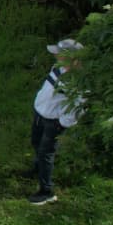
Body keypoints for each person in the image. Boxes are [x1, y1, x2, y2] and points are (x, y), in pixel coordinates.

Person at [27, 39, 85, 205]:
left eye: (59, 54)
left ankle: (47, 191)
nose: (55, 55)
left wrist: (62, 123)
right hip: (40, 115)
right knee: (36, 142)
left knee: (46, 152)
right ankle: (37, 169)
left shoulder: (79, 82)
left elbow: (78, 107)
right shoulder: (58, 68)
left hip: (53, 123)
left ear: (72, 58)